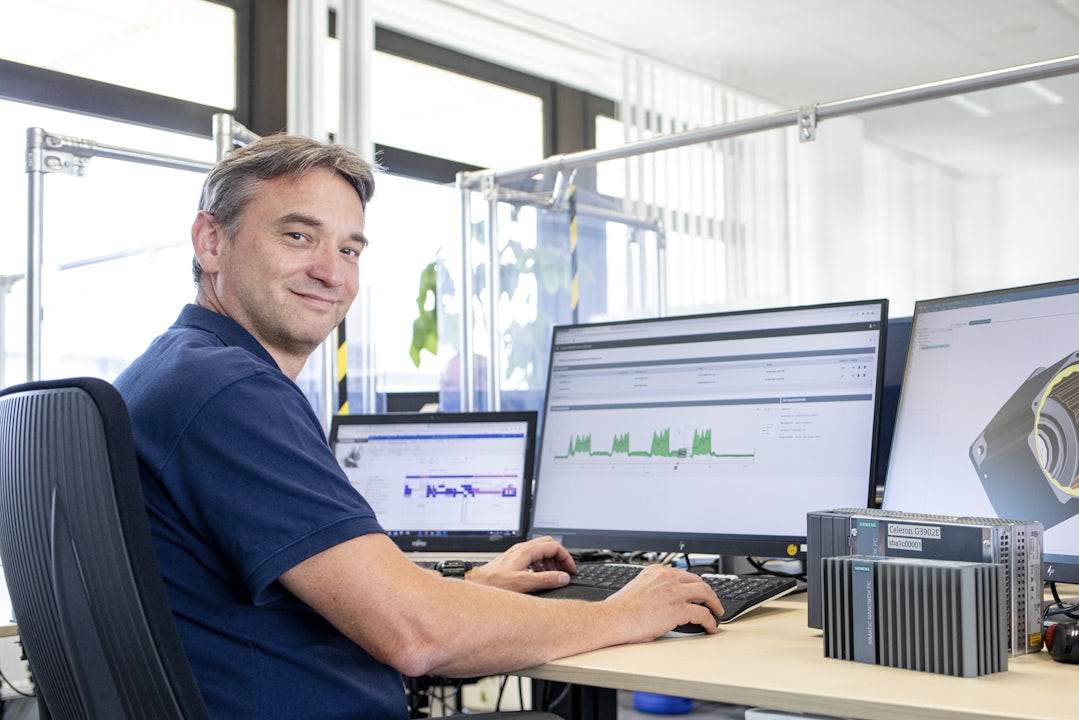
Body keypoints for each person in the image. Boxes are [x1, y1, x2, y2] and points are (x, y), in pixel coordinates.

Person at [113, 133, 722, 720]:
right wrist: (624, 612)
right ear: (211, 242)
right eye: (299, 236)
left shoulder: (170, 372)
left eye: (350, 250)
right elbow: (417, 638)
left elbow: (343, 595)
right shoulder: (229, 391)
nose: (332, 272)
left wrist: (467, 588)